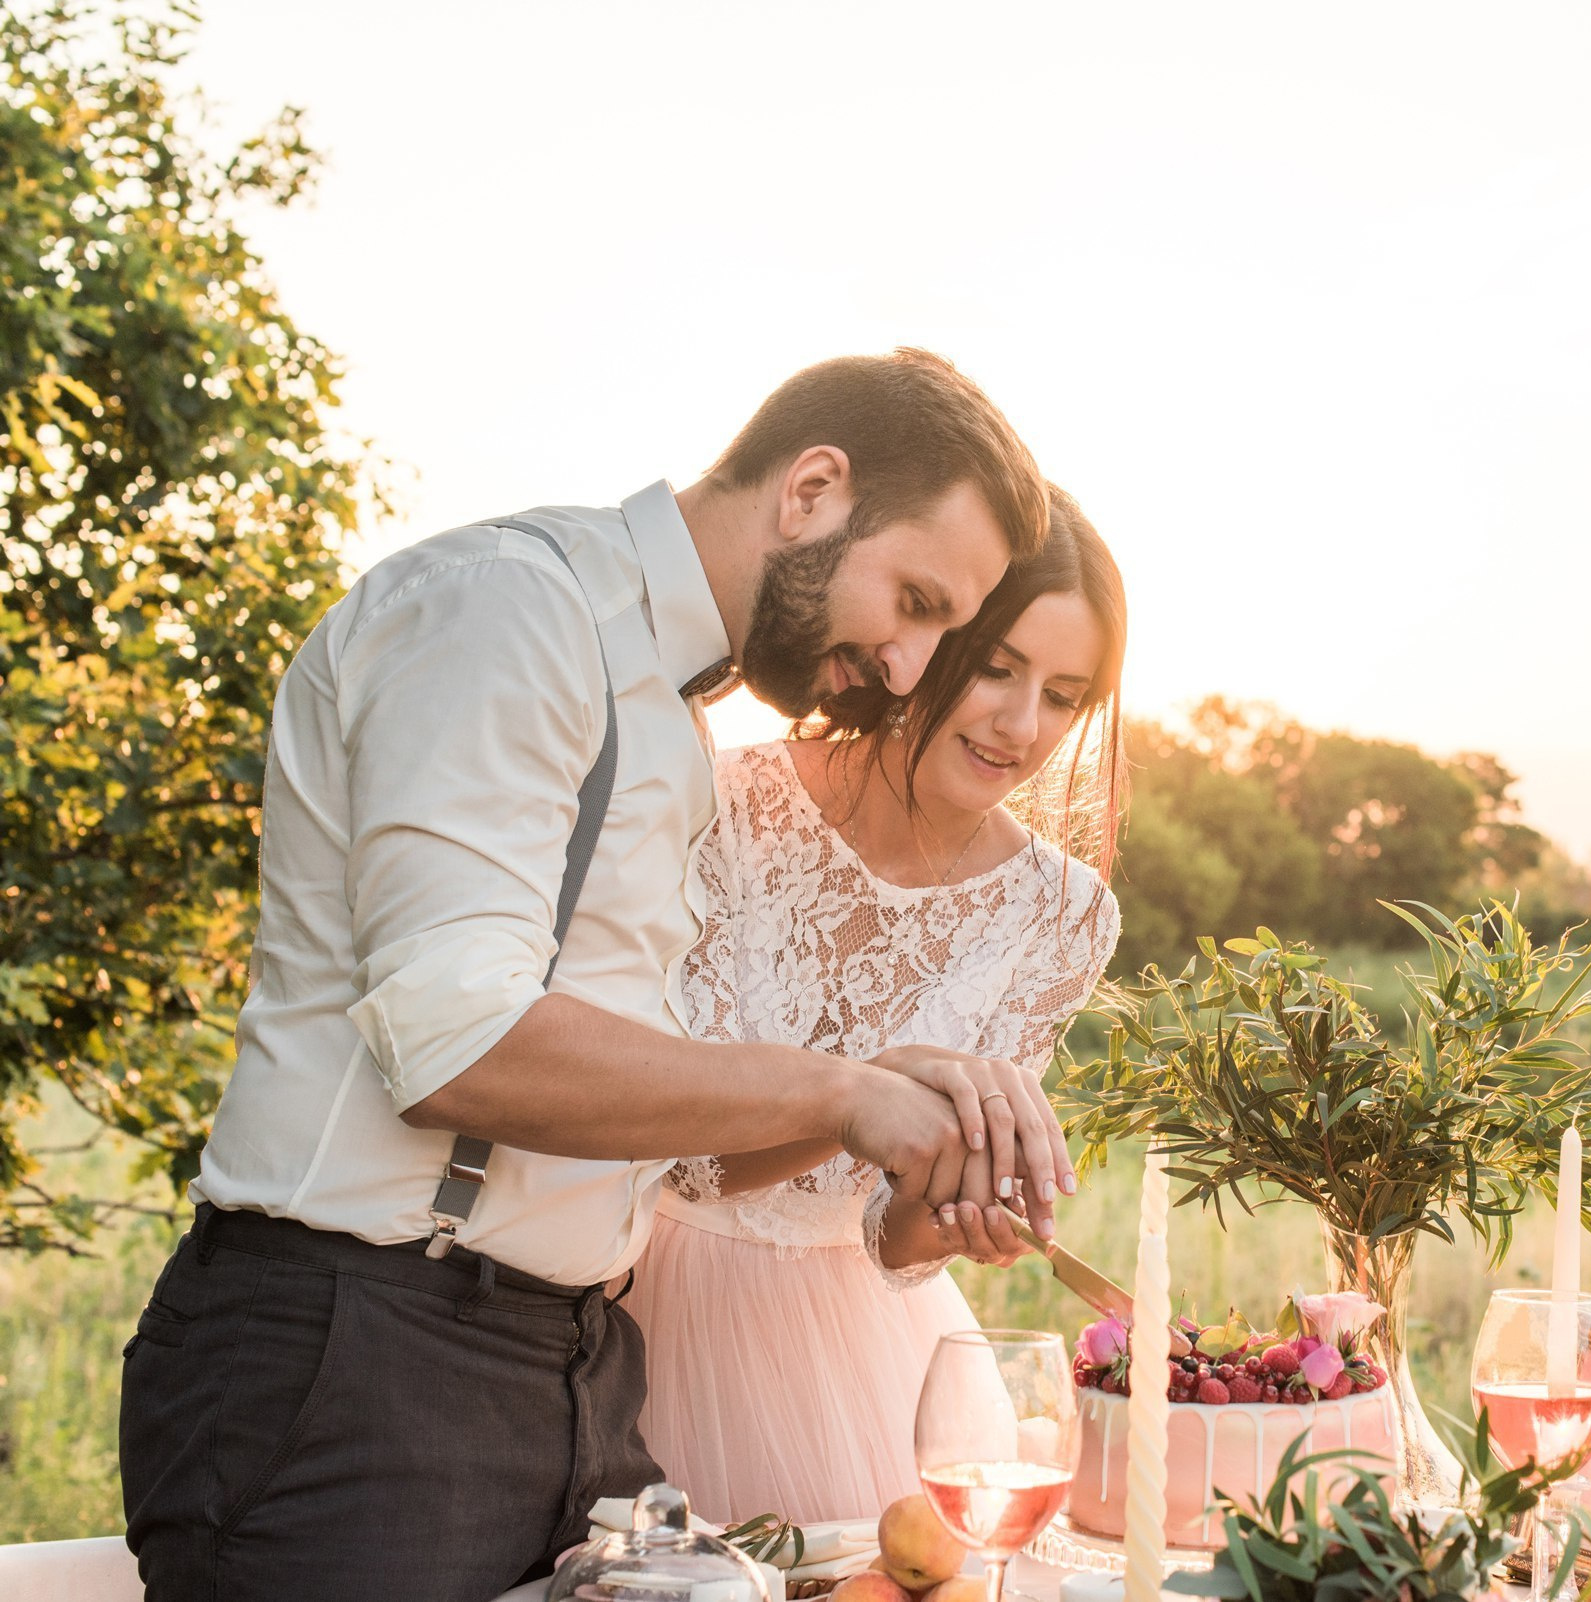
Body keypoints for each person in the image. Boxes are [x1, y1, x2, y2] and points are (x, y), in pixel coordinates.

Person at [117, 350, 1078, 1602]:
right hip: (362, 1362)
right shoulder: (505, 613)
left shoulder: (666, 711)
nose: (906, 666)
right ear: (813, 490)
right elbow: (459, 1045)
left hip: (573, 1372)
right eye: (913, 601)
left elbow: (653, 1133)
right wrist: (839, 1093)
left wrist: (877, 1090)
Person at [625, 488, 1126, 1526]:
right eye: (997, 667)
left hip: (864, 1365)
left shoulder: (1063, 915)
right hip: (636, 1309)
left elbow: (885, 1238)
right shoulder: (719, 804)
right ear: (925, 641)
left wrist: (947, 1219)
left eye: (1065, 695)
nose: (1022, 726)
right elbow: (676, 1158)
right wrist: (863, 1093)